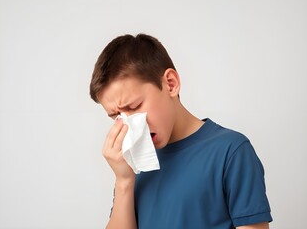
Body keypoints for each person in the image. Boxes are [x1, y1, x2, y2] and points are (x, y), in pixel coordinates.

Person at [89, 34, 273, 229]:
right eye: (116, 116)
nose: (129, 125)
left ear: (170, 84)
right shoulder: (133, 164)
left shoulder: (231, 151)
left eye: (134, 107)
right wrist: (124, 181)